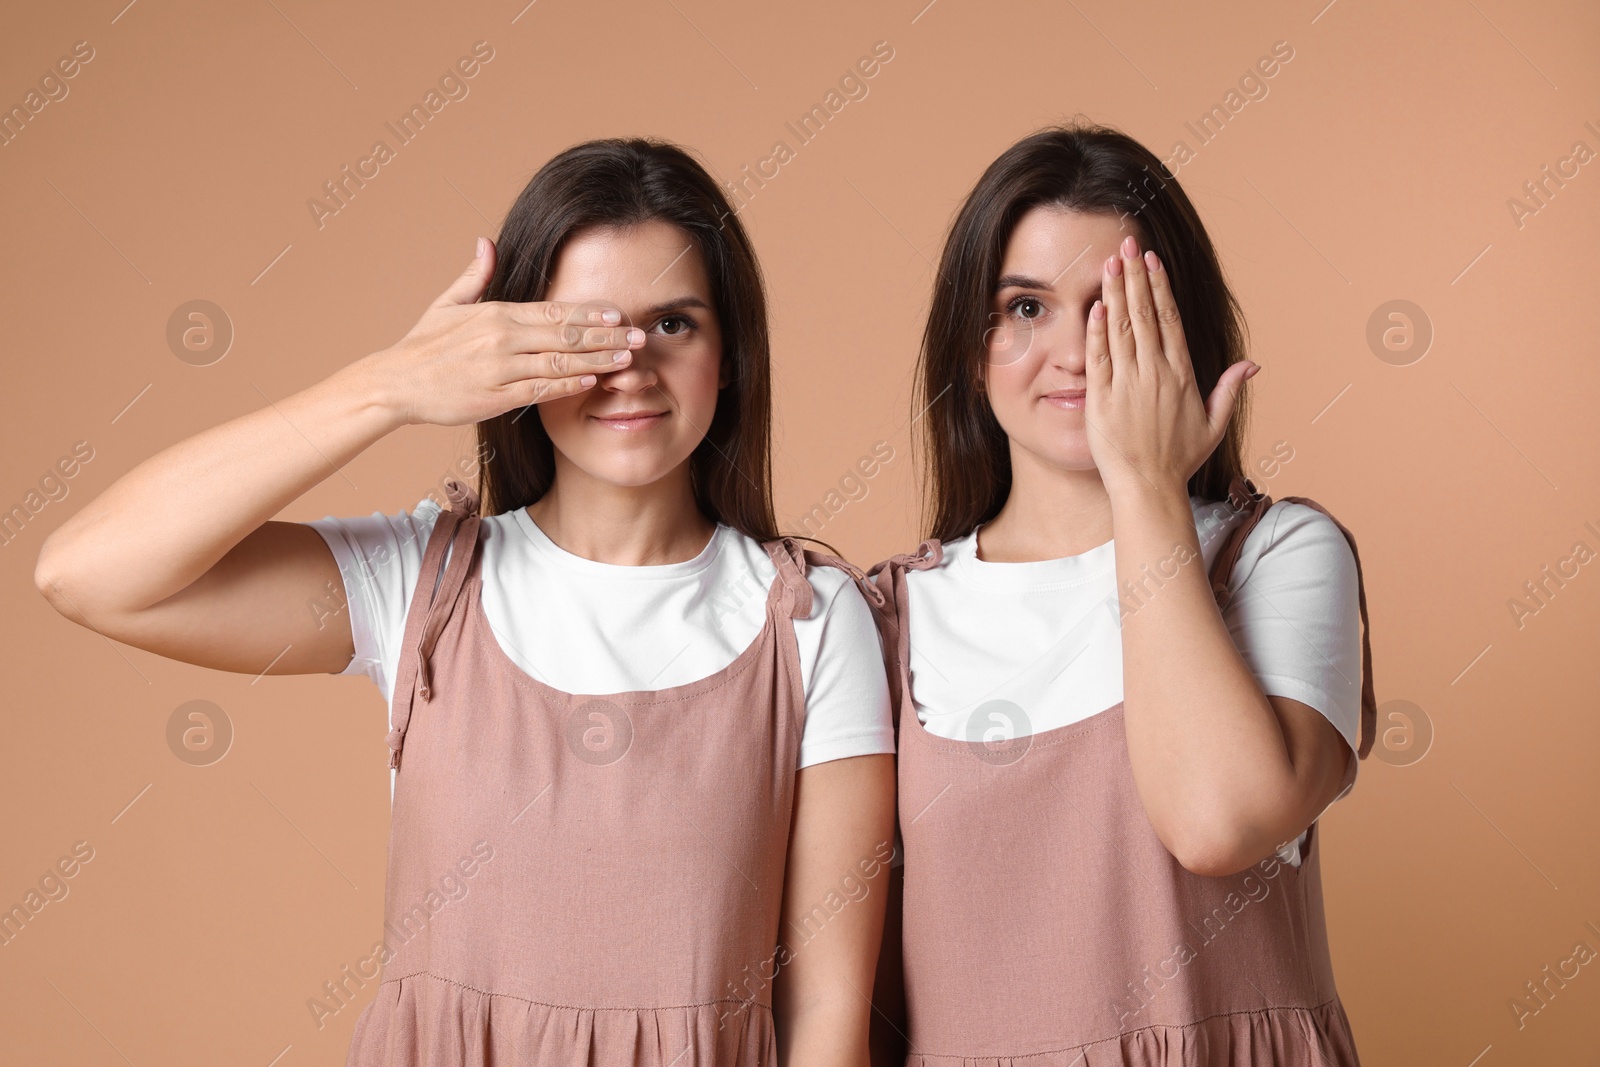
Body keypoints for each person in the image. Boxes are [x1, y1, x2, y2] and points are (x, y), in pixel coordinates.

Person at [35, 137, 896, 1067]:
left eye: (674, 323)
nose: (629, 363)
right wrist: (387, 387)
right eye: (584, 329)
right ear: (515, 352)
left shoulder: (810, 619)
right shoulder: (426, 584)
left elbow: (826, 1007)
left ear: (728, 355)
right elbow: (86, 571)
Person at [863, 123, 1375, 1065]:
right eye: (1024, 307)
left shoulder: (1278, 557)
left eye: (1114, 307)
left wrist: (1144, 484)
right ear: (969, 351)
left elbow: (1216, 820)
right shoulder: (885, 618)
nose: (1070, 352)